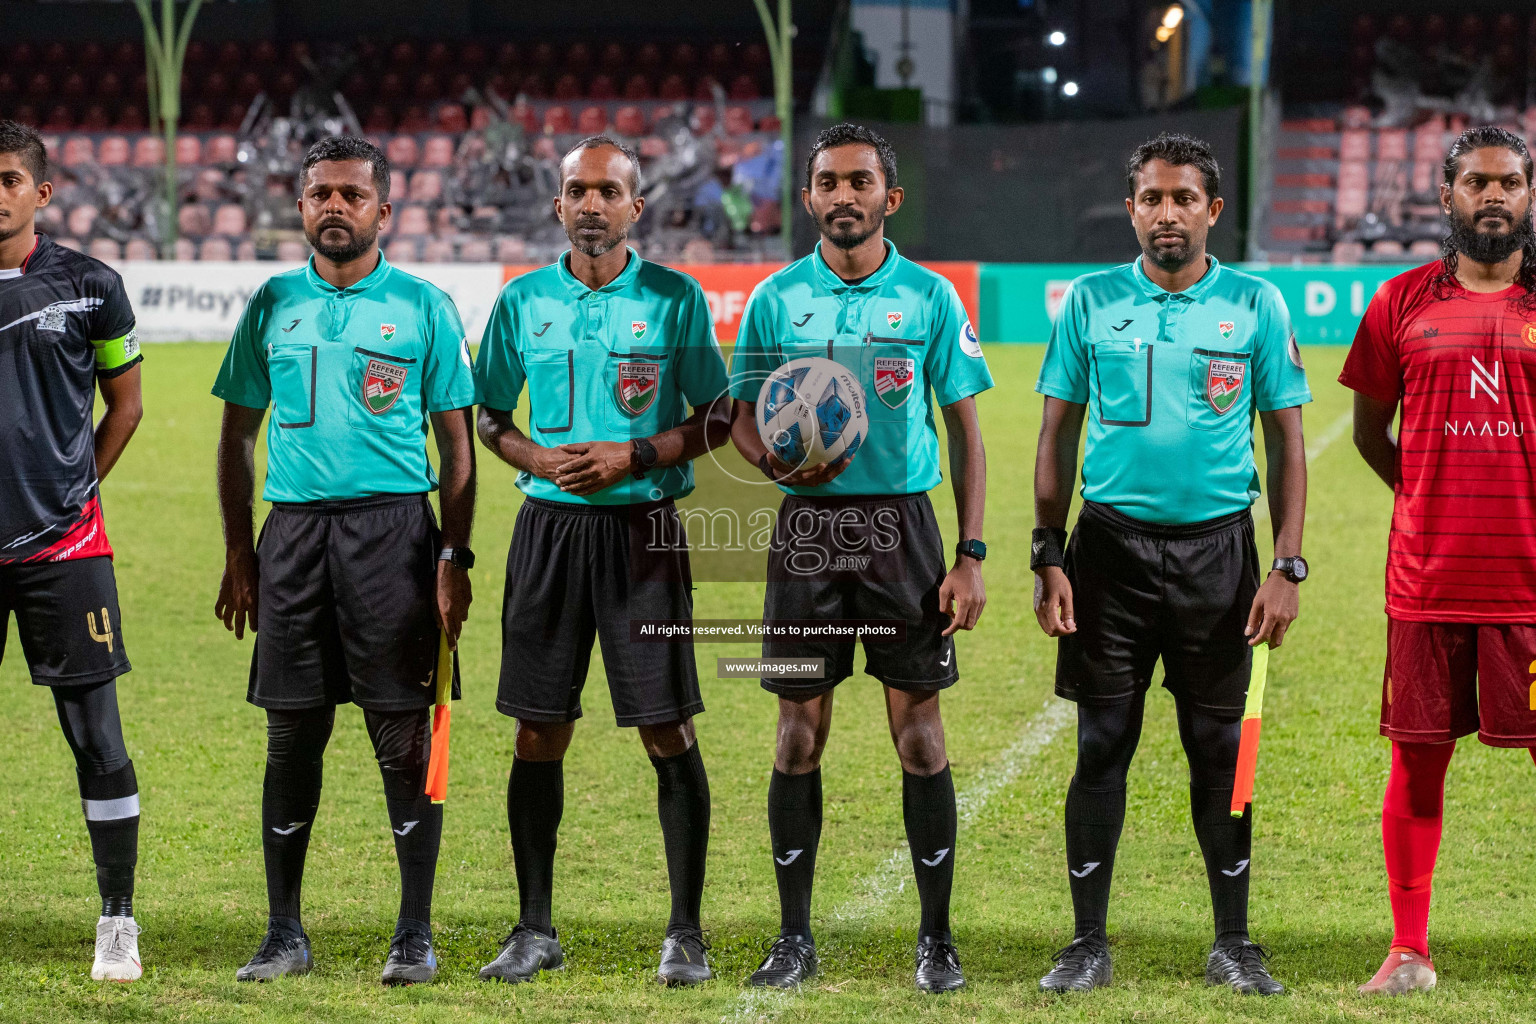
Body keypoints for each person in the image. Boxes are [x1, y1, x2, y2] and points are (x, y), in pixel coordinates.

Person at [1031, 132, 1309, 995]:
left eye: (1183, 198)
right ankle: (1085, 943)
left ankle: (1234, 941)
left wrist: (1287, 566)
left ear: (1212, 210)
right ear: (1131, 209)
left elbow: (1288, 446)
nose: (1166, 213)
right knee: (1101, 743)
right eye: (1151, 198)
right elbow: (1055, 435)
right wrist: (1047, 554)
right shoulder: (1089, 300)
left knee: (1223, 751)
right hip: (1108, 551)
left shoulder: (1257, 303)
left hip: (1222, 558)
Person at [728, 123, 992, 994]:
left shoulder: (928, 296)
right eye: (829, 182)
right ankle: (794, 938)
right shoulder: (773, 299)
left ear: (891, 196)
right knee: (798, 733)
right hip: (806, 531)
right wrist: (778, 462)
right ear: (808, 197)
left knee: (919, 737)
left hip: (903, 532)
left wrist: (971, 554)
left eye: (861, 181)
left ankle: (937, 940)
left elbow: (965, 429)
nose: (845, 196)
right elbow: (737, 415)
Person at [211, 135, 478, 986]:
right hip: (291, 538)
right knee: (292, 733)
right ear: (300, 207)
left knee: (402, 736)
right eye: (320, 194)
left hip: (394, 535)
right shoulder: (272, 304)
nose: (335, 207)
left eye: (352, 195)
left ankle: (414, 934)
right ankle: (284, 933)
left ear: (383, 211)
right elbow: (236, 436)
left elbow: (459, 453)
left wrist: (453, 555)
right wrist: (239, 553)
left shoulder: (425, 306)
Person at [473, 136, 730, 987]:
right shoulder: (522, 302)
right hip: (547, 532)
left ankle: (685, 933)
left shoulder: (675, 299)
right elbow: (489, 418)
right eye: (576, 190)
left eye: (607, 191)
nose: (591, 204)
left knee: (667, 727)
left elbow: (719, 419)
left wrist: (639, 454)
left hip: (642, 531)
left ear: (635, 206)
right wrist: (535, 458)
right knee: (539, 729)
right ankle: (533, 928)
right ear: (557, 205)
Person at [1341, 125, 1536, 997]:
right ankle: (1409, 950)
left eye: (1510, 183)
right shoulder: (1399, 302)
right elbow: (1370, 434)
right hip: (1429, 583)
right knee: (1418, 761)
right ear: (1447, 193)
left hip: (1532, 591)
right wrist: (1429, 498)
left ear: (1529, 196)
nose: (1492, 196)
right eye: (1475, 183)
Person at [0, 120, 146, 982]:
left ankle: (118, 919)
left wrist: (72, 485)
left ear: (41, 192)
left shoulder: (92, 285)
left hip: (65, 549)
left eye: (10, 178)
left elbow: (125, 404)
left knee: (95, 734)